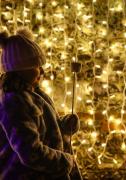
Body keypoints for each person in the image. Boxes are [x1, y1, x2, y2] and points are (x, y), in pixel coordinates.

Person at [0, 28, 82, 180]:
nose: (42, 71)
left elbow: (43, 129)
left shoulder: (34, 93)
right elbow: (29, 152)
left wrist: (63, 125)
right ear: (19, 70)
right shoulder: (14, 102)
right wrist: (64, 161)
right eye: (36, 66)